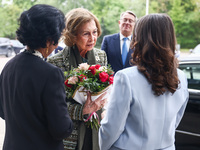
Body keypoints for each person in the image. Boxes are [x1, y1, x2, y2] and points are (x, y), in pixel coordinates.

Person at [99, 14, 189, 150]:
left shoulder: (126, 78)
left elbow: (112, 128)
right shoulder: (181, 77)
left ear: (139, 38)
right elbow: (175, 121)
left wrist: (102, 145)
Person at [0, 4, 73, 150]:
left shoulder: (9, 66)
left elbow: (3, 112)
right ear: (48, 40)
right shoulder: (50, 73)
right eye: (57, 38)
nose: (57, 44)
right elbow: (61, 129)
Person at [47, 8, 107, 150]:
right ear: (72, 35)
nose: (92, 38)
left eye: (94, 32)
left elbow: (104, 92)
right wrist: (82, 111)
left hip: (97, 129)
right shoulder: (55, 62)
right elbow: (53, 106)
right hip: (69, 136)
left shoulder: (101, 56)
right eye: (86, 33)